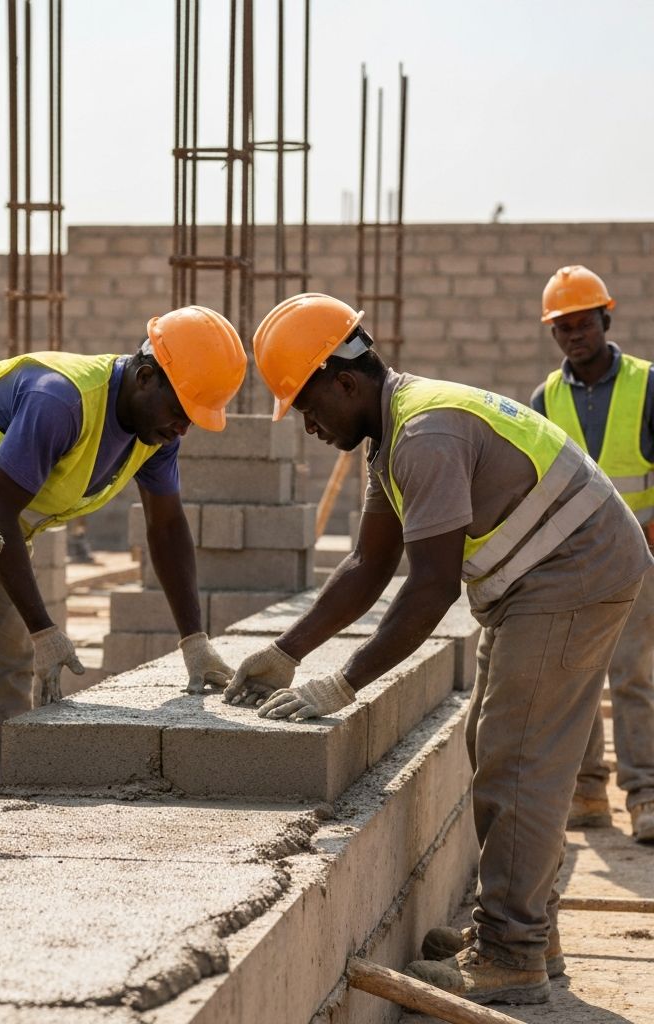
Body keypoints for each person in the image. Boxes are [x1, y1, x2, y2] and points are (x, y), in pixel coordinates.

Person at [223, 292, 652, 1006]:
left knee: (519, 760)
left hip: (575, 572)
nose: (309, 426)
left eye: (308, 407)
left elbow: (428, 591)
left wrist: (343, 683)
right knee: (495, 747)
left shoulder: (425, 437)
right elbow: (368, 564)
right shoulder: (393, 441)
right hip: (536, 581)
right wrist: (287, 650)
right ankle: (524, 923)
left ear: (347, 383)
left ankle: (511, 955)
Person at [0, 306, 247, 845]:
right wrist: (44, 628)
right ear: (145, 376)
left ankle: (4, 806)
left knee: (5, 669)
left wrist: (194, 639)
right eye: (181, 408)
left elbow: (166, 528)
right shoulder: (61, 400)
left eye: (193, 417)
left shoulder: (154, 433)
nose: (182, 426)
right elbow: (0, 507)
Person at [529, 265, 654, 844]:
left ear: (606, 318)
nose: (575, 335)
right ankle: (587, 794)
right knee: (574, 679)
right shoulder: (544, 399)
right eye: (563, 328)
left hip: (642, 557)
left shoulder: (648, 384)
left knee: (634, 677)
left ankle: (647, 794)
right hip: (575, 566)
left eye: (583, 323)